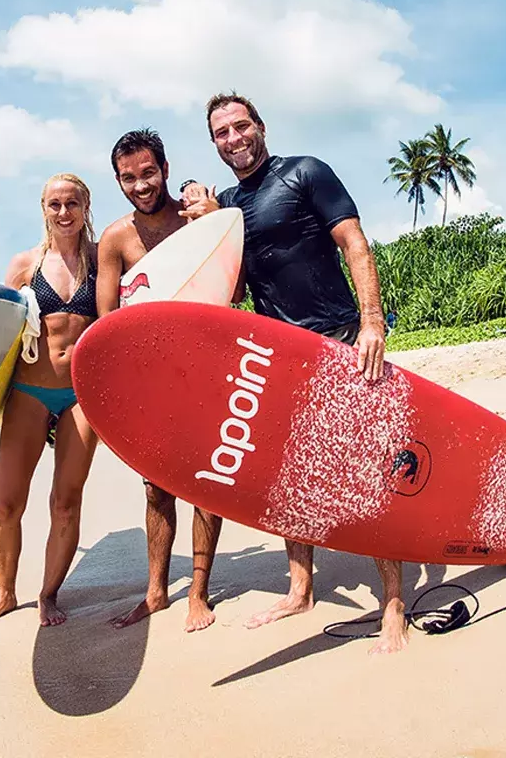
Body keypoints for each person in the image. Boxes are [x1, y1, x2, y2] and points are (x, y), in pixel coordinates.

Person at [184, 92, 408, 655]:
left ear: (260, 126)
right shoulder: (229, 205)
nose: (233, 139)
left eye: (241, 126)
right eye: (221, 133)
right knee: (290, 477)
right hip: (280, 354)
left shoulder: (306, 172)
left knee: (367, 469)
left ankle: (395, 604)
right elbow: (231, 291)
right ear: (214, 144)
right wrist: (211, 230)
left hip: (338, 339)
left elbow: (355, 242)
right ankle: (301, 589)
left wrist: (372, 322)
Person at [95, 129, 228, 633]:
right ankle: (155, 593)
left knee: (205, 487)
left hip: (207, 370)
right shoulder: (115, 239)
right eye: (128, 178)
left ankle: (198, 592)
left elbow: (230, 284)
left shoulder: (196, 219)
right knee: (156, 490)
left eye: (148, 173)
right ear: (118, 181)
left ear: (166, 169)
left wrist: (209, 215)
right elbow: (107, 320)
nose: (141, 185)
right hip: (150, 381)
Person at [0, 173, 101, 628]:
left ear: (86, 206)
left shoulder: (103, 262)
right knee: (7, 503)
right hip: (28, 391)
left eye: (72, 203)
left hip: (80, 396)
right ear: (43, 209)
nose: (63, 212)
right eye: (54, 204)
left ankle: (48, 594)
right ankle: (5, 593)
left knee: (66, 501)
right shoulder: (26, 264)